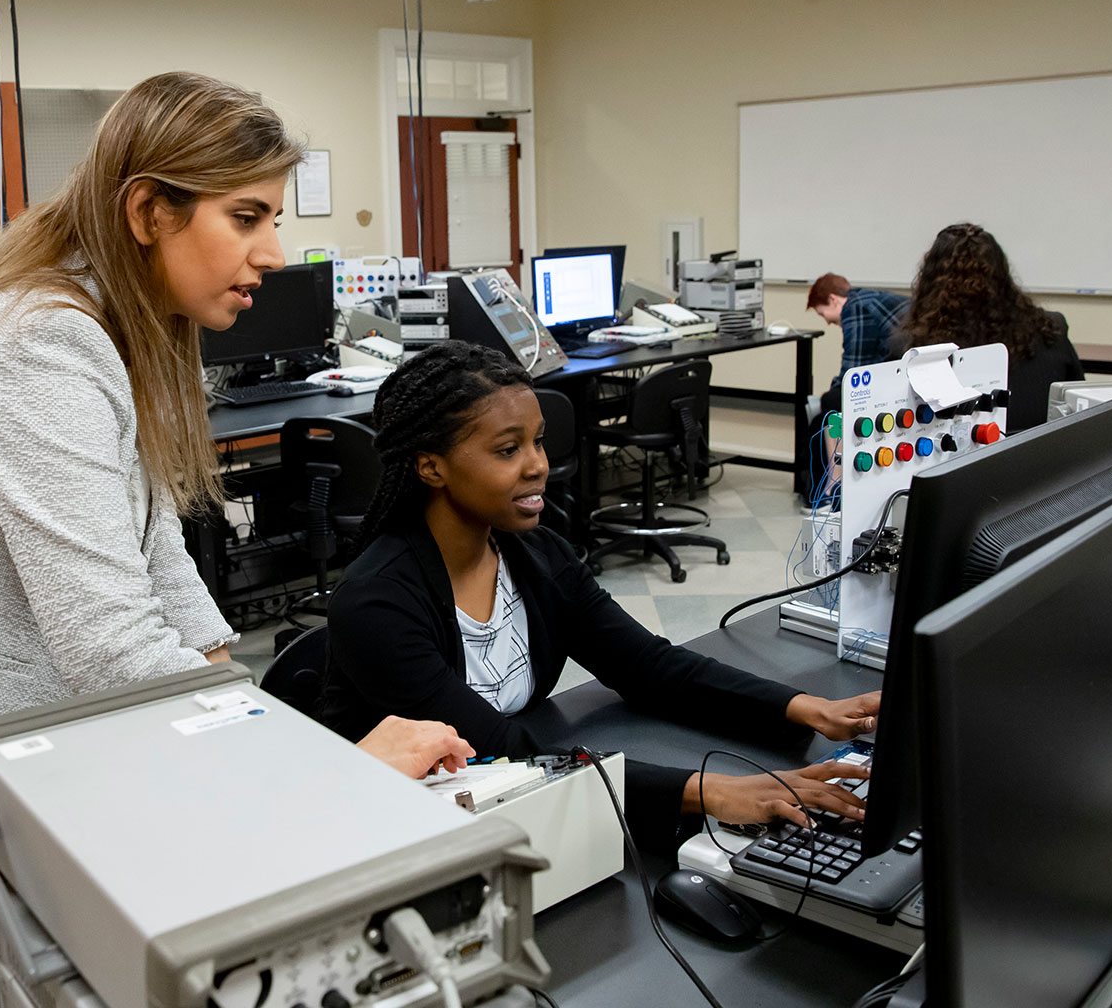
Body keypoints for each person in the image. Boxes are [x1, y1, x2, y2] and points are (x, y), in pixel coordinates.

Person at [0, 73, 470, 945]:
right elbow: (107, 643)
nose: (275, 254)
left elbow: (156, 561)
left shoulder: (107, 327)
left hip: (15, 758)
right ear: (148, 212)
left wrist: (240, 717)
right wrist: (321, 775)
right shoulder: (41, 347)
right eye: (246, 218)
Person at [318, 340, 880, 853]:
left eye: (537, 441)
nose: (538, 465)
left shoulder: (536, 554)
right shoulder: (378, 603)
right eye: (507, 449)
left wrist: (807, 709)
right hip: (407, 836)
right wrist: (707, 792)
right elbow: (498, 746)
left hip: (515, 809)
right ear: (430, 467)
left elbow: (646, 664)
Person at [888, 224, 1082, 430]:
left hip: (962, 459)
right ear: (1002, 276)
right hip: (1046, 454)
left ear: (930, 279)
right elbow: (1079, 398)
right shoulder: (1051, 329)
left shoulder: (912, 346)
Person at [804, 273, 907, 497]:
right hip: (905, 376)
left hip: (900, 384)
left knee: (830, 403)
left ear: (834, 300)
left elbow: (854, 372)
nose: (828, 322)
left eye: (824, 314)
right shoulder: (874, 301)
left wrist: (831, 393)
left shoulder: (855, 307)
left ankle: (832, 489)